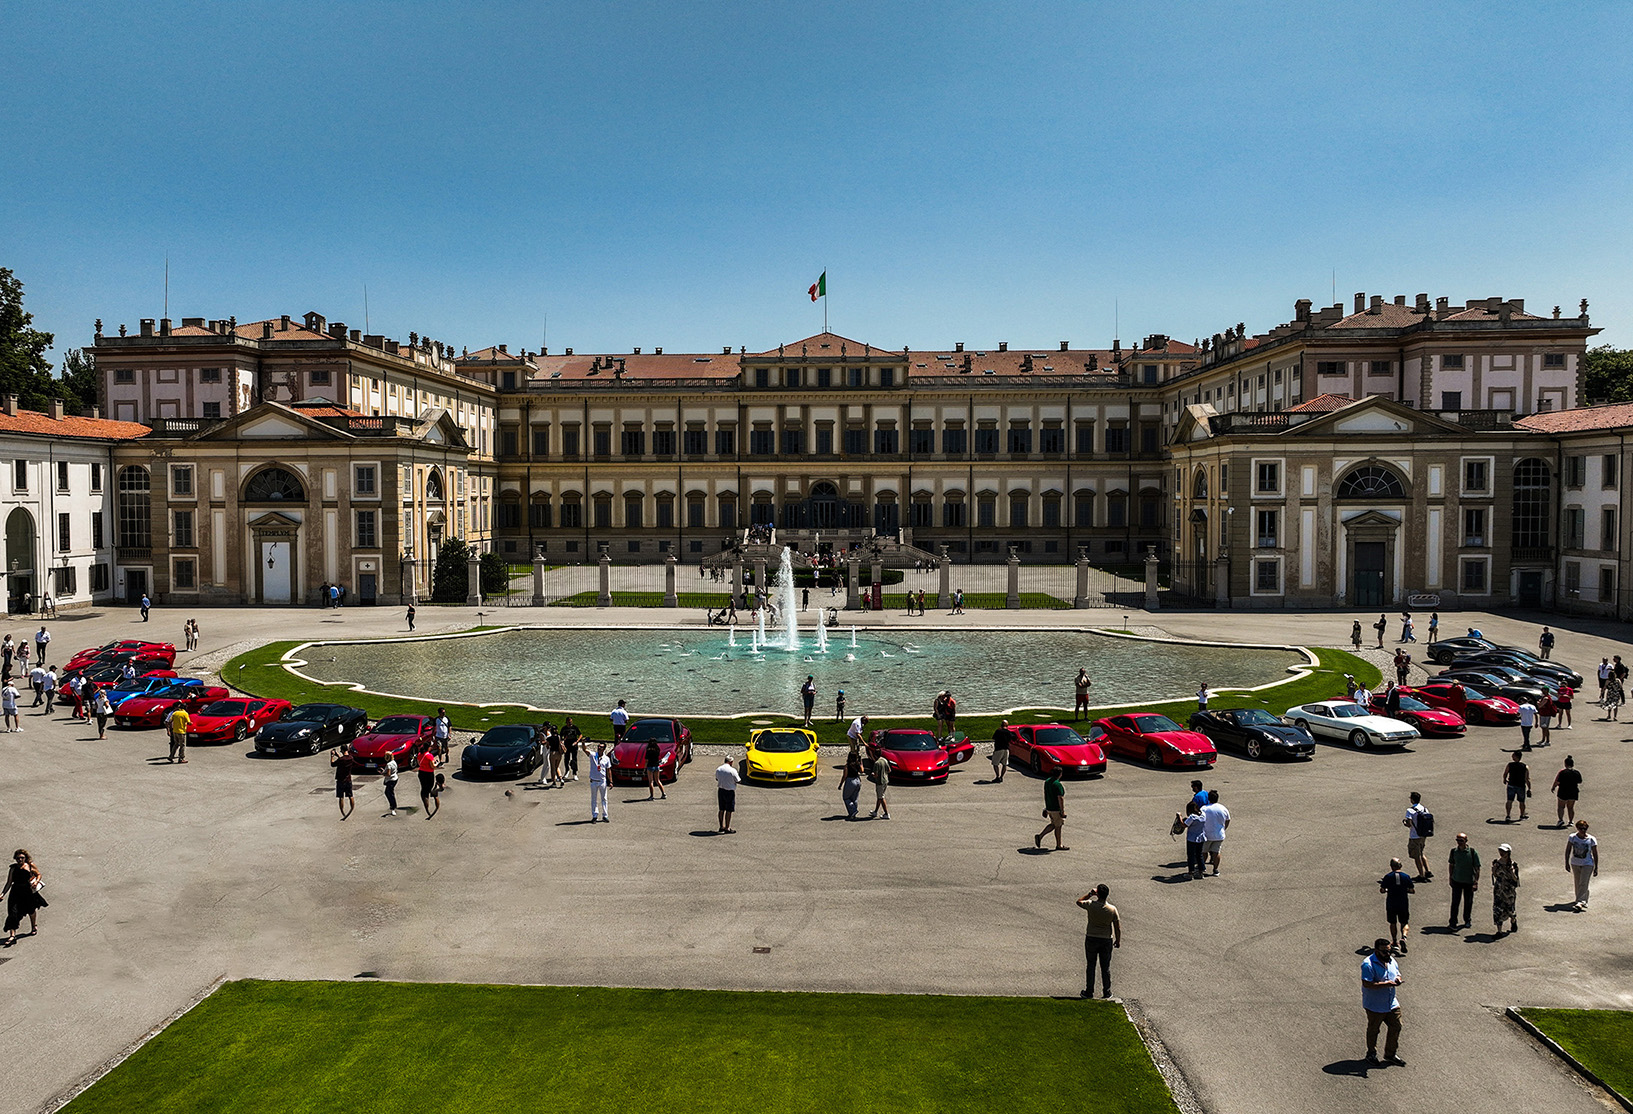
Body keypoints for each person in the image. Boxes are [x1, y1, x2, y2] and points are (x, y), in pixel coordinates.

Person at [1361, 938, 1405, 1066]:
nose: (1388, 954)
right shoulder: (1368, 964)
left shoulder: (1391, 960)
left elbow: (1397, 973)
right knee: (1374, 1030)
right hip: (1375, 1005)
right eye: (1384, 951)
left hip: (1391, 1002)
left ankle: (1390, 1054)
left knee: (1396, 1026)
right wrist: (1387, 984)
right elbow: (1367, 984)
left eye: (1389, 951)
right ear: (1376, 950)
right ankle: (1371, 1053)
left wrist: (1397, 979)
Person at [1076, 884, 1120, 1000]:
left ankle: (1089, 991)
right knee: (1105, 967)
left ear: (1098, 894)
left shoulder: (1091, 905)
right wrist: (1118, 940)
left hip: (1091, 937)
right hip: (1106, 939)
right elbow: (1117, 927)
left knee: (1091, 965)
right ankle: (1107, 991)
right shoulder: (1112, 909)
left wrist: (1090, 894)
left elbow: (1079, 901)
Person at [2, 850, 46, 946]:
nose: (20, 860)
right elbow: (9, 882)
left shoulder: (30, 865)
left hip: (28, 891)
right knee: (12, 913)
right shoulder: (13, 868)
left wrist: (36, 882)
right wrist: (2, 894)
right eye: (18, 858)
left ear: (25, 858)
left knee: (31, 910)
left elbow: (38, 874)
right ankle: (12, 936)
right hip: (15, 892)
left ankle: (33, 926)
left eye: (22, 858)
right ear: (15, 859)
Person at [1379, 858, 1414, 954]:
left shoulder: (1388, 877)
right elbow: (1412, 890)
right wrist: (1405, 890)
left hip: (1391, 903)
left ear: (1391, 866)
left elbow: (1382, 890)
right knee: (1404, 922)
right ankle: (1404, 937)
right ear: (1400, 866)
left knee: (1393, 922)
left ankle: (1394, 941)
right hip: (1403, 903)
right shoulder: (1406, 876)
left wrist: (1387, 890)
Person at [1447, 833, 1480, 930]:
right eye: (1457, 840)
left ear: (1466, 841)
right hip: (1456, 880)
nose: (1459, 842)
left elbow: (1477, 868)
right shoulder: (1454, 851)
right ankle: (1453, 922)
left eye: (1461, 840)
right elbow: (1451, 865)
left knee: (1468, 902)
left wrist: (1476, 882)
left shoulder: (1472, 852)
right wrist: (1450, 877)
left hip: (1469, 881)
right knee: (1455, 903)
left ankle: (1467, 920)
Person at [1565, 820, 1599, 910]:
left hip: (1587, 864)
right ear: (1577, 828)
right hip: (1575, 863)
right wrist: (1566, 862)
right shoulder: (1572, 837)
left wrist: (1596, 867)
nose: (1583, 830)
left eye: (1584, 829)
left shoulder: (1591, 839)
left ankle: (1580, 902)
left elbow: (1595, 853)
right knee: (1578, 882)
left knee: (1583, 882)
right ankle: (1582, 900)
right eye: (1581, 828)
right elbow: (1568, 850)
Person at [1035, 767, 1067, 851]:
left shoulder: (1047, 781)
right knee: (1058, 826)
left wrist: (1046, 808)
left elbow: (1046, 794)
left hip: (1049, 807)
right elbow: (1060, 798)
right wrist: (1062, 811)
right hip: (1056, 809)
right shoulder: (1057, 784)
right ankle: (1059, 845)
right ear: (1060, 774)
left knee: (1053, 824)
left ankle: (1040, 836)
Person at [1491, 844, 1519, 934]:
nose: (1502, 853)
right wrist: (1494, 870)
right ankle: (1499, 931)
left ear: (1508, 853)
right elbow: (1496, 876)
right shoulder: (1497, 863)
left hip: (1509, 891)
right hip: (1499, 890)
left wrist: (1512, 872)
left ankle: (1513, 920)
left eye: (1504, 851)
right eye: (1501, 851)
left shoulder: (1513, 864)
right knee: (1498, 910)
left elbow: (1516, 880)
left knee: (1510, 910)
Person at [1201, 790, 1230, 876]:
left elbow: (1200, 820)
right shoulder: (1223, 808)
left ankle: (1201, 868)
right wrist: (1223, 829)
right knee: (1216, 852)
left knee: (1203, 852)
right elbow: (1228, 820)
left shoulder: (1204, 808)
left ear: (1208, 798)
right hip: (1219, 835)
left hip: (1207, 835)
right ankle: (1215, 869)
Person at [1404, 792, 1431, 881]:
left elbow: (1409, 824)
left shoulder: (1410, 810)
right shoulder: (1424, 809)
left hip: (1415, 836)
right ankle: (1428, 871)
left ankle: (1421, 875)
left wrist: (1405, 823)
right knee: (1421, 853)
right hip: (1423, 834)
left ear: (1412, 799)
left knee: (1417, 856)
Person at [585, 740, 613, 822]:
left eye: (601, 747)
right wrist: (583, 743)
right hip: (593, 781)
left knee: (604, 799)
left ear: (604, 749)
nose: (599, 748)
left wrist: (611, 781)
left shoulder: (606, 759)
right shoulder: (593, 755)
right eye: (598, 746)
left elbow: (608, 770)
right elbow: (585, 750)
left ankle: (605, 815)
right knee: (594, 799)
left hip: (602, 781)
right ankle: (595, 815)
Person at [1179, 800, 1207, 879]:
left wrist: (1179, 816)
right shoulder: (1203, 815)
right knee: (1199, 854)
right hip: (1201, 837)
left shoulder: (1192, 817)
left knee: (1191, 856)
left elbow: (1184, 825)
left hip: (1192, 838)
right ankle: (1201, 871)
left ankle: (1190, 873)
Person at [1552, 756, 1582, 827]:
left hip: (1563, 791)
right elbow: (1580, 781)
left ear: (1565, 764)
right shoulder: (1576, 772)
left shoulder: (1562, 772)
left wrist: (1553, 787)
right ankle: (1571, 821)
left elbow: (1557, 781)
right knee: (1570, 807)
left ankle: (1560, 820)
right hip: (1573, 792)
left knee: (1561, 806)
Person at [1503, 750, 1532, 821]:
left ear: (1515, 757)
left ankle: (1508, 815)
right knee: (1521, 801)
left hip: (1511, 785)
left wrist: (1504, 779)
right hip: (1521, 786)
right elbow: (1527, 779)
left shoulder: (1510, 765)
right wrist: (1529, 788)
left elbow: (1505, 773)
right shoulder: (1525, 766)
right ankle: (1522, 815)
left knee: (1509, 800)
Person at [715, 754, 740, 833]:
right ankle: (727, 827)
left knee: (721, 809)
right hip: (729, 791)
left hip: (721, 790)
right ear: (731, 762)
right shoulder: (732, 770)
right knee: (729, 810)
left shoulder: (719, 769)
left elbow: (717, 778)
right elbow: (738, 780)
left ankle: (721, 826)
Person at [330, 743, 356, 819]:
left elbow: (333, 764)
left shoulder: (341, 760)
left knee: (341, 797)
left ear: (342, 750)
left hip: (340, 780)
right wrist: (338, 755)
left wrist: (332, 756)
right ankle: (351, 809)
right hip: (348, 779)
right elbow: (344, 759)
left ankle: (342, 812)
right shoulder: (351, 758)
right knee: (350, 795)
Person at [838, 751, 863, 820]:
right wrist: (861, 763)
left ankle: (853, 810)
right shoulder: (857, 764)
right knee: (854, 798)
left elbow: (844, 776)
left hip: (850, 781)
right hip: (857, 780)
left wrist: (840, 784)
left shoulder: (847, 766)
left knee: (846, 798)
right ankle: (852, 814)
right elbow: (862, 771)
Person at [644, 730, 667, 801]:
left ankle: (651, 796)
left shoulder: (648, 750)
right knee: (658, 780)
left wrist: (644, 768)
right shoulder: (657, 749)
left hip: (650, 766)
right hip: (656, 765)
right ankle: (663, 793)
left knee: (651, 781)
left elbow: (646, 760)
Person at [870, 749, 891, 820]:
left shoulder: (877, 763)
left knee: (881, 797)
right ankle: (875, 811)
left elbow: (876, 775)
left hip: (880, 782)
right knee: (879, 797)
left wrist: (873, 774)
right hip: (885, 781)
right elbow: (889, 770)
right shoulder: (884, 760)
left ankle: (886, 813)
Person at [417, 745, 437, 815]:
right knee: (429, 787)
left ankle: (426, 804)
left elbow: (419, 763)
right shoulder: (429, 756)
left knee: (424, 787)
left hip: (421, 772)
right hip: (429, 773)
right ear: (428, 748)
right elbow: (432, 766)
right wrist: (436, 764)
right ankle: (429, 797)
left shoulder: (420, 754)